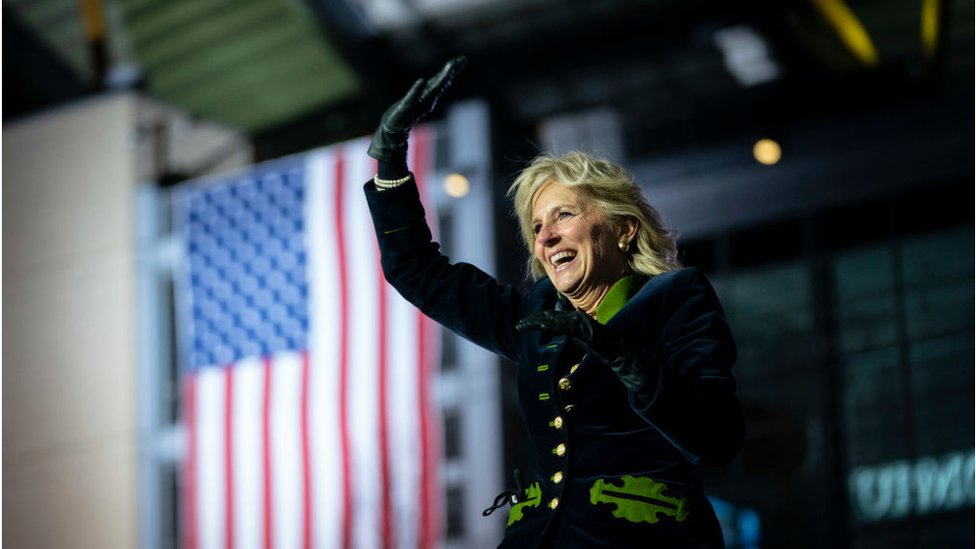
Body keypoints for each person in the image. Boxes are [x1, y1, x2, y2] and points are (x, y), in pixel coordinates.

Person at [363, 57, 745, 548]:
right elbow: (418, 271)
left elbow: (717, 440)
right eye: (537, 227)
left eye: (564, 215)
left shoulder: (676, 298)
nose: (546, 237)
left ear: (624, 229)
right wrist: (391, 163)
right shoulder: (537, 324)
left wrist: (630, 362)